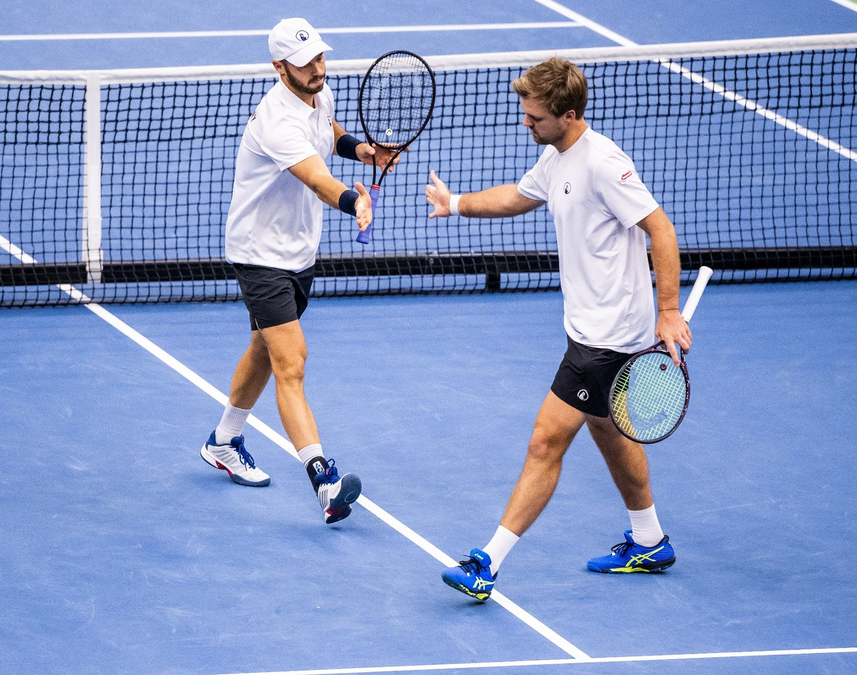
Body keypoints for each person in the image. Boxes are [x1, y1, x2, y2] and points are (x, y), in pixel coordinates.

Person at [426, 58, 692, 599]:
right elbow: (518, 198)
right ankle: (650, 539)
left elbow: (660, 230)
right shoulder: (557, 155)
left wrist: (668, 310)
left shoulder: (603, 164)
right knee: (606, 429)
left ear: (568, 115)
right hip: (588, 329)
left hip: (610, 337)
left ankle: (486, 564)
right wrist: (455, 204)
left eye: (535, 117)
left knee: (546, 441)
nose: (526, 123)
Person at [200, 17, 399, 524]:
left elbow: (328, 134)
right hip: (260, 253)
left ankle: (223, 440)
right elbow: (314, 178)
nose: (318, 68)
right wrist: (354, 198)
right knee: (292, 361)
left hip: (297, 253)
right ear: (279, 66)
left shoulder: (319, 93)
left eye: (320, 57)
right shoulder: (275, 121)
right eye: (306, 61)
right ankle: (323, 480)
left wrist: (361, 149)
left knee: (264, 351)